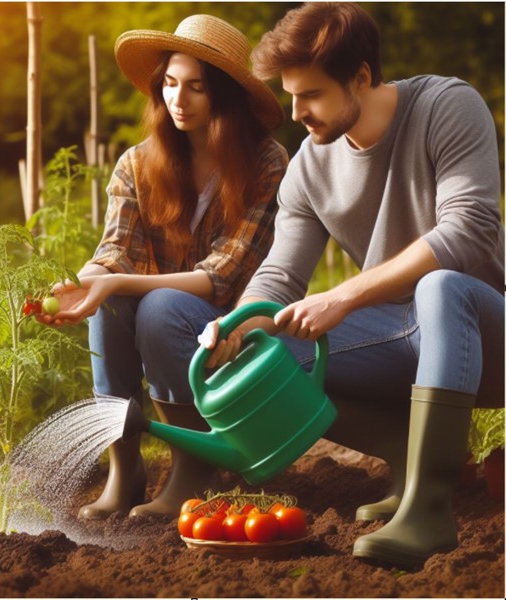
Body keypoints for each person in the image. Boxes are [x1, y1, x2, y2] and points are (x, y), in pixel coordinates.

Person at [195, 2, 504, 568]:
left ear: (361, 77)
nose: (297, 112)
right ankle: (411, 464)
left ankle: (430, 510)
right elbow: (281, 275)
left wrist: (345, 295)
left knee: (440, 288)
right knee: (271, 344)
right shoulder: (310, 167)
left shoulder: (446, 106)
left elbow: (470, 231)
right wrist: (238, 328)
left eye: (310, 95)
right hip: (399, 338)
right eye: (291, 95)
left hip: (485, 336)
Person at [39, 14, 288, 519]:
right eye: (171, 84)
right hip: (169, 323)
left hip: (232, 335)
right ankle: (124, 470)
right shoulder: (137, 164)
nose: (179, 99)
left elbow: (224, 275)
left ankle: (192, 471)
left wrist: (113, 284)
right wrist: (84, 285)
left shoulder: (267, 163)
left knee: (158, 305)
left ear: (225, 96)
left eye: (196, 87)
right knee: (111, 306)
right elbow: (115, 250)